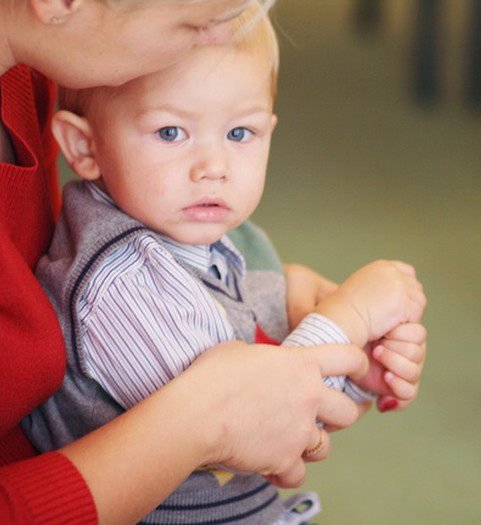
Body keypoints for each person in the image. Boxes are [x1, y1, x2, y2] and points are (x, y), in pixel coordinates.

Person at [23, 4, 427, 523]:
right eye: (171, 132)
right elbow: (256, 419)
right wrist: (350, 317)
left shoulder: (220, 239)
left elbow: (287, 391)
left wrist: (358, 366)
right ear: (85, 146)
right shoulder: (119, 281)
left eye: (240, 134)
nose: (213, 168)